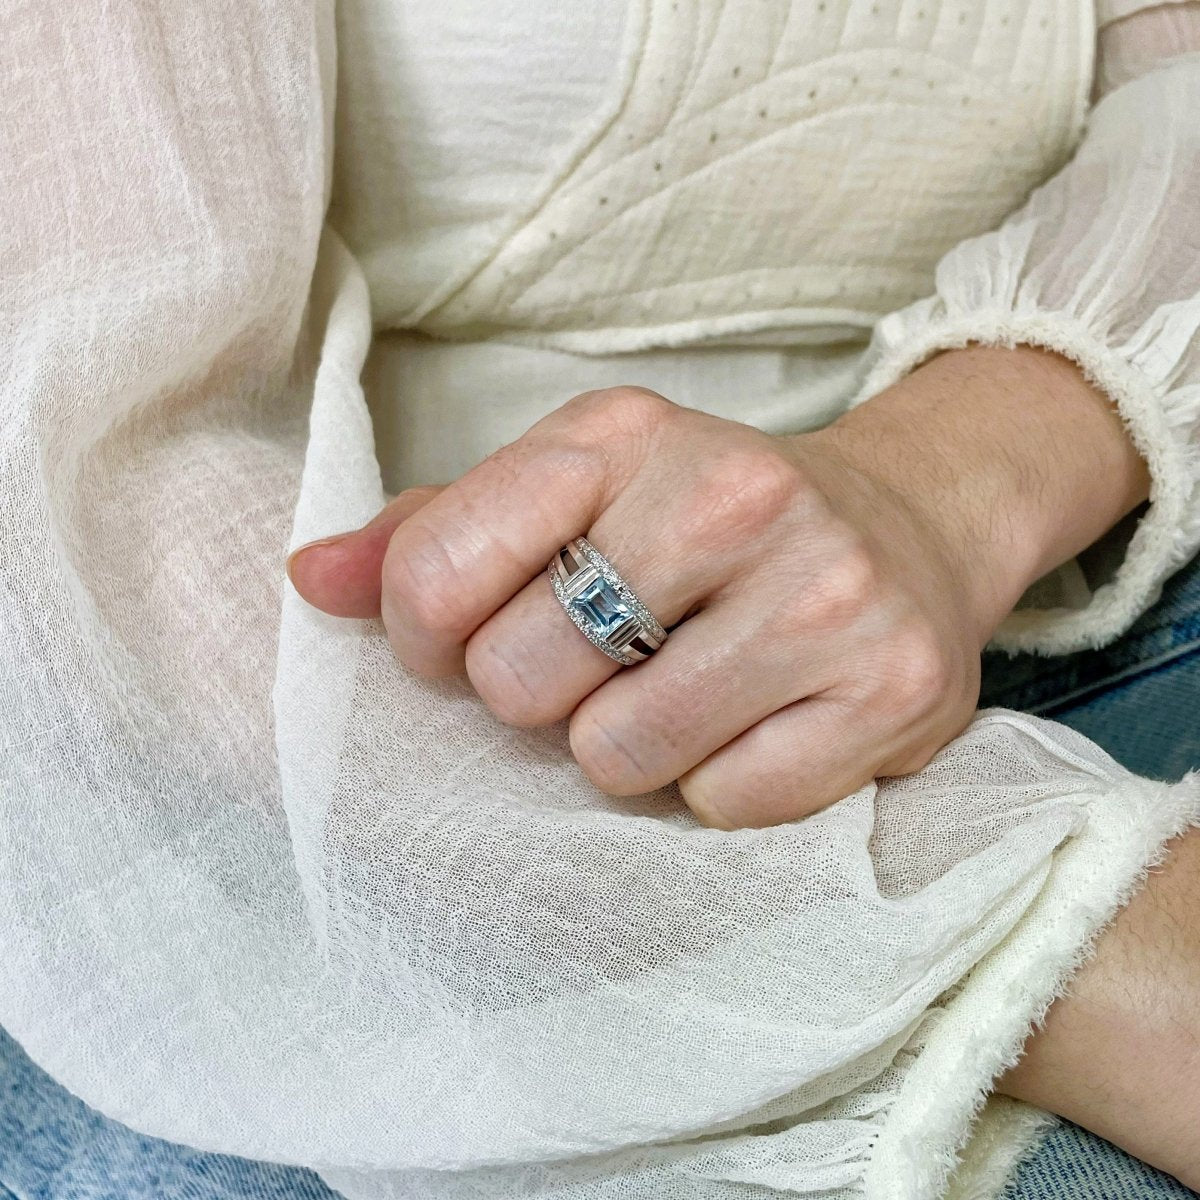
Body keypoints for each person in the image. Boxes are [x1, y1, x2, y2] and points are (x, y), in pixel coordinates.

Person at [1, 2, 1199, 1198]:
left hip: (1099, 540)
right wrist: (1065, 925)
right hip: (358, 838)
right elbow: (90, 533)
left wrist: (942, 479)